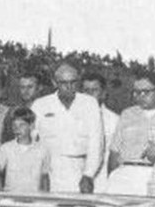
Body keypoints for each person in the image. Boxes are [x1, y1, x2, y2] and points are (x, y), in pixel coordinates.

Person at [31, 62, 103, 193]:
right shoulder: (40, 105)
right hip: (48, 171)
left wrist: (88, 175)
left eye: (73, 82)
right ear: (55, 82)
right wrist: (39, 171)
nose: (69, 87)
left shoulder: (89, 103)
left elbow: (96, 143)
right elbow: (31, 140)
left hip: (79, 170)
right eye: (64, 83)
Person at [105, 73, 155, 195]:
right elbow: (114, 151)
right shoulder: (127, 114)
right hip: (123, 176)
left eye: (146, 92)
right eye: (136, 92)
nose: (140, 96)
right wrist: (111, 177)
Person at [0, 107, 50, 192]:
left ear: (31, 126)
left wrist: (45, 198)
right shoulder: (6, 148)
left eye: (21, 125)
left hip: (34, 197)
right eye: (14, 125)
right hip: (11, 198)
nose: (17, 129)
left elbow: (45, 176)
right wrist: (2, 193)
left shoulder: (42, 150)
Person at [81, 72, 119, 192]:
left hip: (102, 184)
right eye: (86, 90)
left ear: (103, 93)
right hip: (73, 181)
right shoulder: (70, 118)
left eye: (94, 90)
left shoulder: (115, 120)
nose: (90, 94)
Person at [2, 71, 42, 143]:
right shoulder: (12, 112)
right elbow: (6, 138)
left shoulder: (47, 109)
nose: (26, 91)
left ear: (38, 88)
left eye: (30, 87)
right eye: (22, 87)